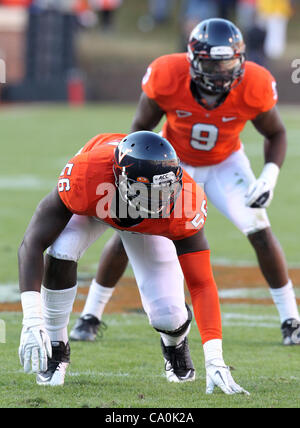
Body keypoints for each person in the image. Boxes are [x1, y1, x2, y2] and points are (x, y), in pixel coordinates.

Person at [70, 18, 300, 347]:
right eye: (212, 63)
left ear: (241, 59)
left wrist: (269, 175)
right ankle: (90, 316)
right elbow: (138, 133)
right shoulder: (167, 74)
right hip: (170, 166)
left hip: (225, 164)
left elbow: (275, 132)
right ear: (193, 60)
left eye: (228, 63)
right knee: (129, 232)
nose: (221, 72)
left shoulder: (255, 83)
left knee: (260, 231)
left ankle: (291, 320)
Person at [18, 130, 249, 394]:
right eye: (149, 192)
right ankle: (56, 347)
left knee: (168, 316)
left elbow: (202, 284)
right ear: (121, 179)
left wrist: (214, 356)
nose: (161, 200)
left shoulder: (185, 200)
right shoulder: (88, 172)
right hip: (97, 205)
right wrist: (33, 319)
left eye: (166, 190)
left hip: (145, 225)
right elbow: (32, 243)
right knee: (61, 251)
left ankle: (174, 344)